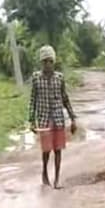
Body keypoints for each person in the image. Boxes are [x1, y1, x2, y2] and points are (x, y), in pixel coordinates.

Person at [28, 45, 76, 189]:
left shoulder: (59, 78)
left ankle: (57, 179)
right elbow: (33, 100)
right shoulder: (36, 78)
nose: (47, 64)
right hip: (44, 120)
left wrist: (73, 119)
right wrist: (31, 121)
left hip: (58, 119)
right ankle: (44, 173)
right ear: (41, 62)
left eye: (50, 61)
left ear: (53, 62)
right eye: (45, 61)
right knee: (46, 150)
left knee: (58, 149)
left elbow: (65, 98)